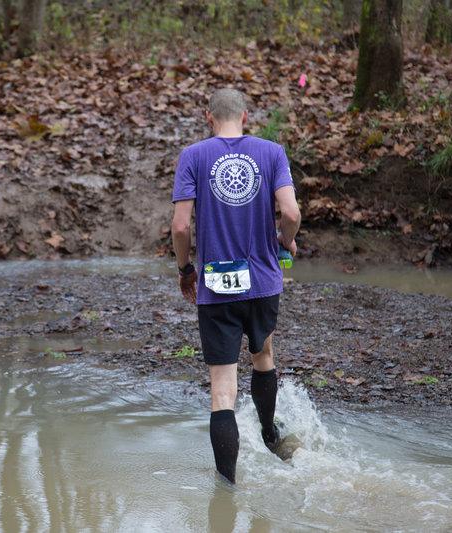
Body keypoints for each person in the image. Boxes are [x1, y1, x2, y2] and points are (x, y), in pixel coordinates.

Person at [171, 88, 301, 484]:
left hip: (216, 286)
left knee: (222, 393)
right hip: (263, 280)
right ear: (245, 116)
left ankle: (226, 489)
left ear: (208, 117)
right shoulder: (271, 152)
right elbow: (291, 212)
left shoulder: (193, 156)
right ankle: (269, 434)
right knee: (263, 357)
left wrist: (185, 269)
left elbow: (179, 226)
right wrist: (285, 240)